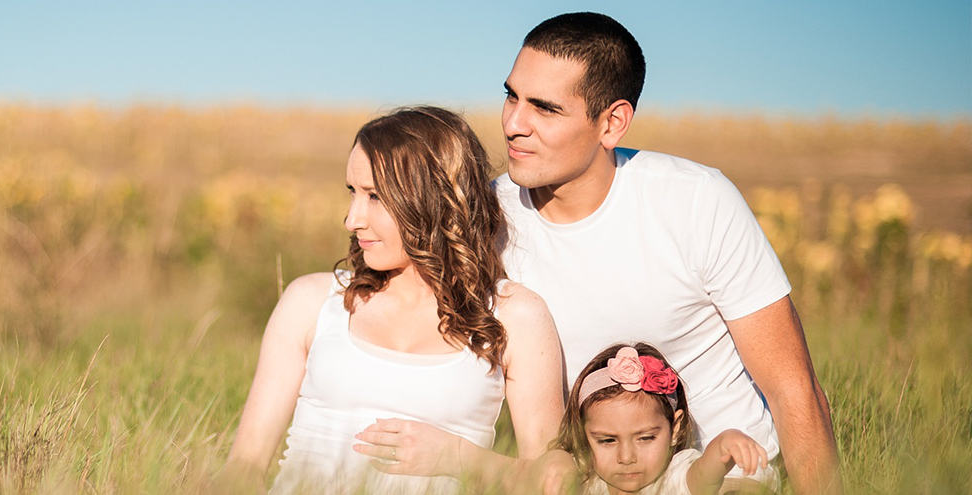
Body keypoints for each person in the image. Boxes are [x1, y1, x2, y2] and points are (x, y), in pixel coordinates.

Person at [353, 12, 841, 494]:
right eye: (511, 95)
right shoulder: (485, 219)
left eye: (545, 108)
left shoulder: (697, 201)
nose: (514, 123)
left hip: (724, 477)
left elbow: (792, 389)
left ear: (612, 123)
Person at [224, 106, 565, 494]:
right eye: (353, 192)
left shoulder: (514, 316)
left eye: (375, 196)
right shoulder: (312, 301)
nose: (352, 219)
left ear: (434, 198)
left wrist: (458, 457)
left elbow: (552, 481)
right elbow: (245, 465)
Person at [539, 343, 771, 495]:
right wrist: (559, 459)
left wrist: (724, 444)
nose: (626, 457)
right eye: (607, 441)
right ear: (583, 434)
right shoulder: (587, 483)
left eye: (646, 438)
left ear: (676, 429)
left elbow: (704, 477)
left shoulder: (675, 478)